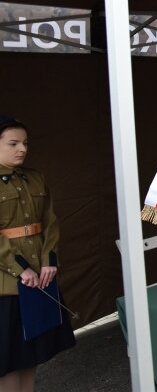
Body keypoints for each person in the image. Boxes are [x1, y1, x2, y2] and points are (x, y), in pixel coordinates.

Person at [0, 116, 75, 391]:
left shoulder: (35, 178)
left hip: (39, 278)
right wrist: (23, 270)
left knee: (32, 351)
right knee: (7, 359)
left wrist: (48, 263)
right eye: (13, 143)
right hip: (7, 284)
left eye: (25, 143)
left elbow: (49, 222)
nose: (22, 149)